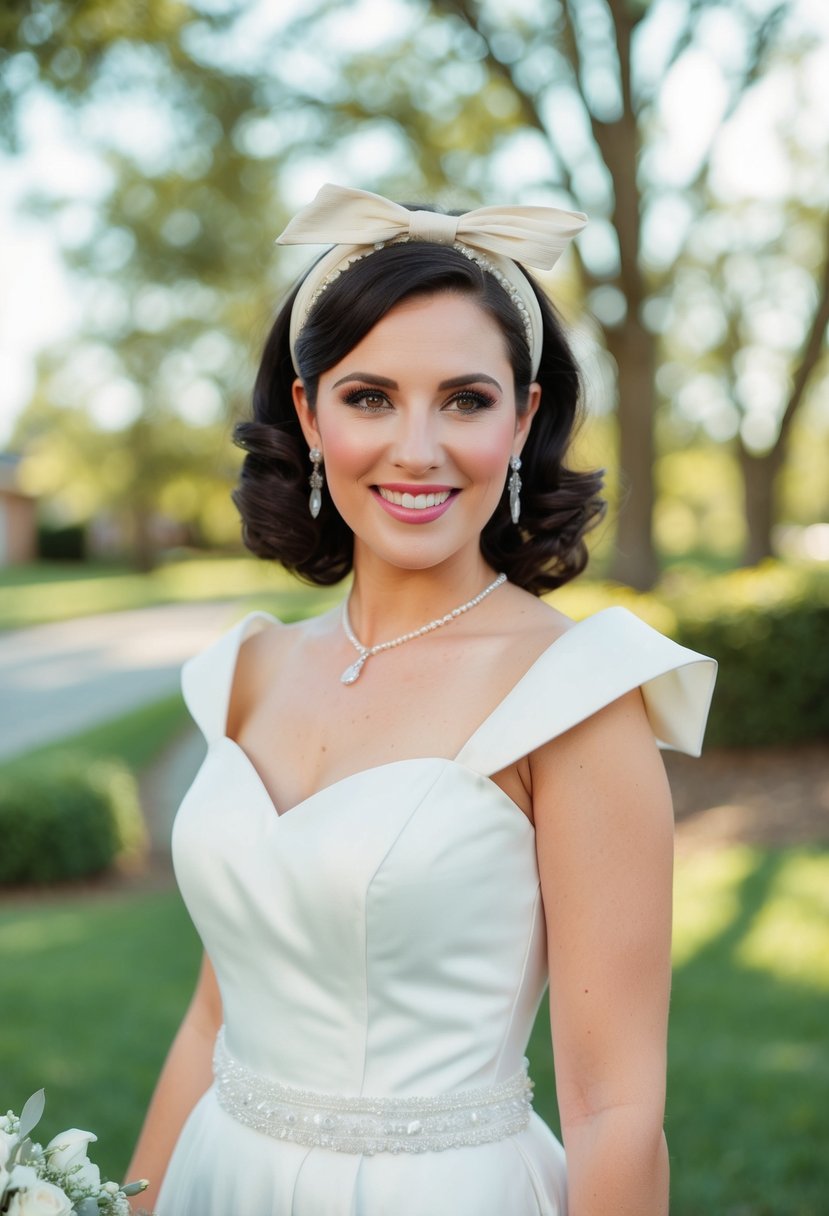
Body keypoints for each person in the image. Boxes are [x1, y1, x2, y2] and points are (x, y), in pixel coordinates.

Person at [127, 184, 716, 1216]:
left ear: (523, 417)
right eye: (369, 397)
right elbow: (212, 1014)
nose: (416, 448)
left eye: (464, 398)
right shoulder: (246, 671)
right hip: (221, 1177)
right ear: (308, 414)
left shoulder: (574, 695)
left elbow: (616, 1107)